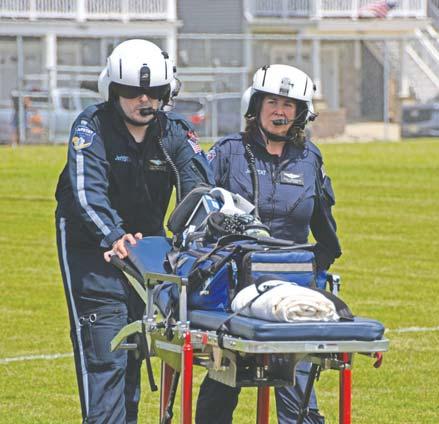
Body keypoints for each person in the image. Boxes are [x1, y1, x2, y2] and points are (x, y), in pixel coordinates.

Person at [55, 39, 212, 423]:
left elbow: (199, 191)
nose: (143, 100)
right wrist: (113, 235)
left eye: (153, 92)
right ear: (113, 90)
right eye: (131, 92)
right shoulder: (91, 126)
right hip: (91, 245)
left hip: (146, 252)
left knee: (136, 348)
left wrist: (195, 241)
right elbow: (86, 192)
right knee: (105, 349)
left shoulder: (175, 132)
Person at [196, 64, 342, 423]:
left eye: (289, 105)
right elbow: (200, 218)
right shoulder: (228, 152)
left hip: (291, 293)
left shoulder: (310, 158)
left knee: (298, 395)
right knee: (221, 385)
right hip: (233, 293)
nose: (280, 111)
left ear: (301, 113)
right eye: (272, 102)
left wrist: (311, 276)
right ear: (255, 106)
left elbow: (326, 233)